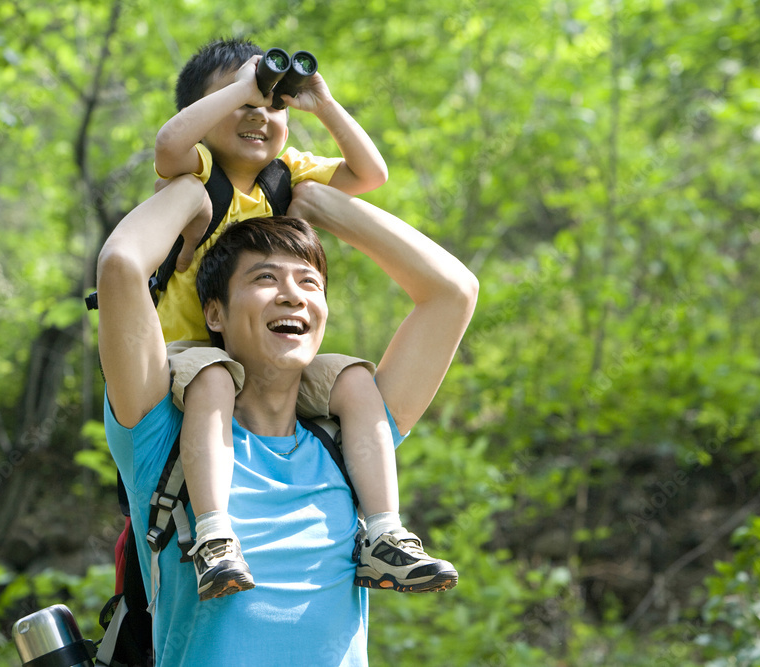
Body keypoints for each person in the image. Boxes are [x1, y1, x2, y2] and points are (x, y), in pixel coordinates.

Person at [97, 176, 478, 664]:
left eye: (309, 282)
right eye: (265, 278)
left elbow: (453, 291)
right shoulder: (162, 437)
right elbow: (121, 266)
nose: (292, 295)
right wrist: (198, 192)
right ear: (215, 313)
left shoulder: (349, 443)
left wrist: (325, 204)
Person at [151, 37, 453, 599]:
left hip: (262, 356)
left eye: (271, 105)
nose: (257, 114)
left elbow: (370, 174)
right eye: (238, 101)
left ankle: (384, 534)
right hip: (188, 353)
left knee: (355, 381)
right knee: (214, 376)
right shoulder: (199, 171)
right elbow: (167, 145)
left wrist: (322, 102)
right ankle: (215, 535)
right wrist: (250, 84)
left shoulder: (286, 171)